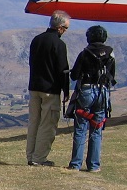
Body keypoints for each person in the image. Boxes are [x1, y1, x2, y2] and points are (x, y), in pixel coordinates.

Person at [66, 25, 116, 173]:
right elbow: (112, 76)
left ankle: (75, 165)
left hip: (86, 91)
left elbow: (74, 75)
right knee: (96, 129)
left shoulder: (84, 53)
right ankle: (94, 166)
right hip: (103, 93)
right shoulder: (111, 53)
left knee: (81, 128)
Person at [26, 10, 71, 166]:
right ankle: (39, 158)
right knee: (47, 124)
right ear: (59, 27)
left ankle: (31, 156)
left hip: (34, 87)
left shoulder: (36, 40)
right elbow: (63, 70)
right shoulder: (59, 44)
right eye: (65, 29)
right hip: (50, 89)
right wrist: (66, 90)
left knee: (34, 122)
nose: (65, 32)